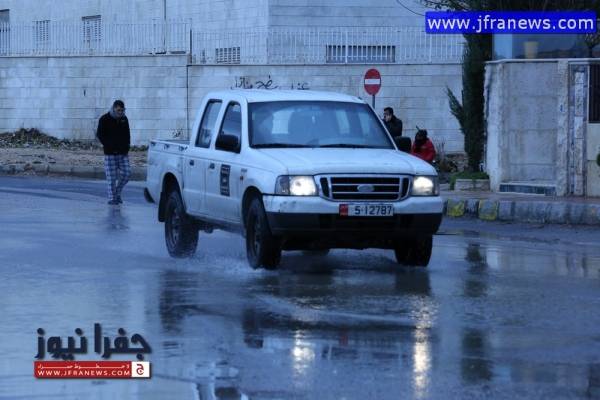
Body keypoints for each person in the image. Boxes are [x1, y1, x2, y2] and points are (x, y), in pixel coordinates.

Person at [97, 100, 131, 205]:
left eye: (122, 110)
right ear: (114, 108)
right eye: (118, 110)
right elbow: (100, 134)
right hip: (110, 153)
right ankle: (112, 198)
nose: (120, 112)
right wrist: (108, 145)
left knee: (127, 174)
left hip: (123, 153)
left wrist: (127, 147)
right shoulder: (104, 119)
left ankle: (117, 193)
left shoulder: (124, 119)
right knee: (111, 178)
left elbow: (127, 134)